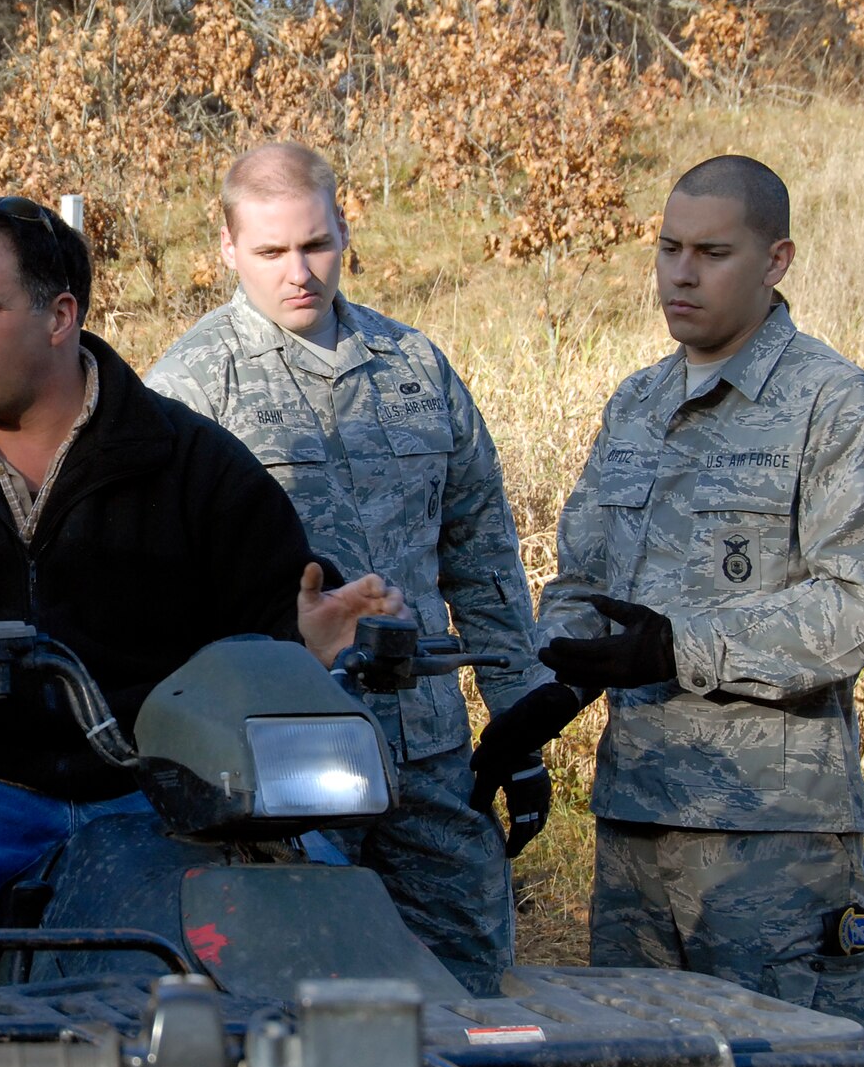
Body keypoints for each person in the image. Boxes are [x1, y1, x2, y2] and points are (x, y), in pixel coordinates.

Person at [0, 195, 404, 1022]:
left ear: (61, 315)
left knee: (298, 902)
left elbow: (278, 614)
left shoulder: (189, 463)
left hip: (148, 791)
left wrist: (301, 641)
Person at [474, 155, 864, 1033]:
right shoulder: (636, 406)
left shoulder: (832, 407)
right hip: (636, 821)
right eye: (669, 248)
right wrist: (553, 689)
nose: (682, 272)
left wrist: (680, 647)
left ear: (776, 260)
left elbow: (863, 603)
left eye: (712, 252)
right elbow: (582, 583)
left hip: (771, 839)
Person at [146, 141, 562, 997]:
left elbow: (479, 551)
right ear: (226, 247)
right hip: (279, 759)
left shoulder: (414, 367)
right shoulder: (188, 392)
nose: (298, 272)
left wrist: (519, 726)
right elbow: (157, 591)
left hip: (429, 753)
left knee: (475, 990)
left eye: (315, 245)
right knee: (299, 999)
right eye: (269, 252)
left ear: (345, 231)